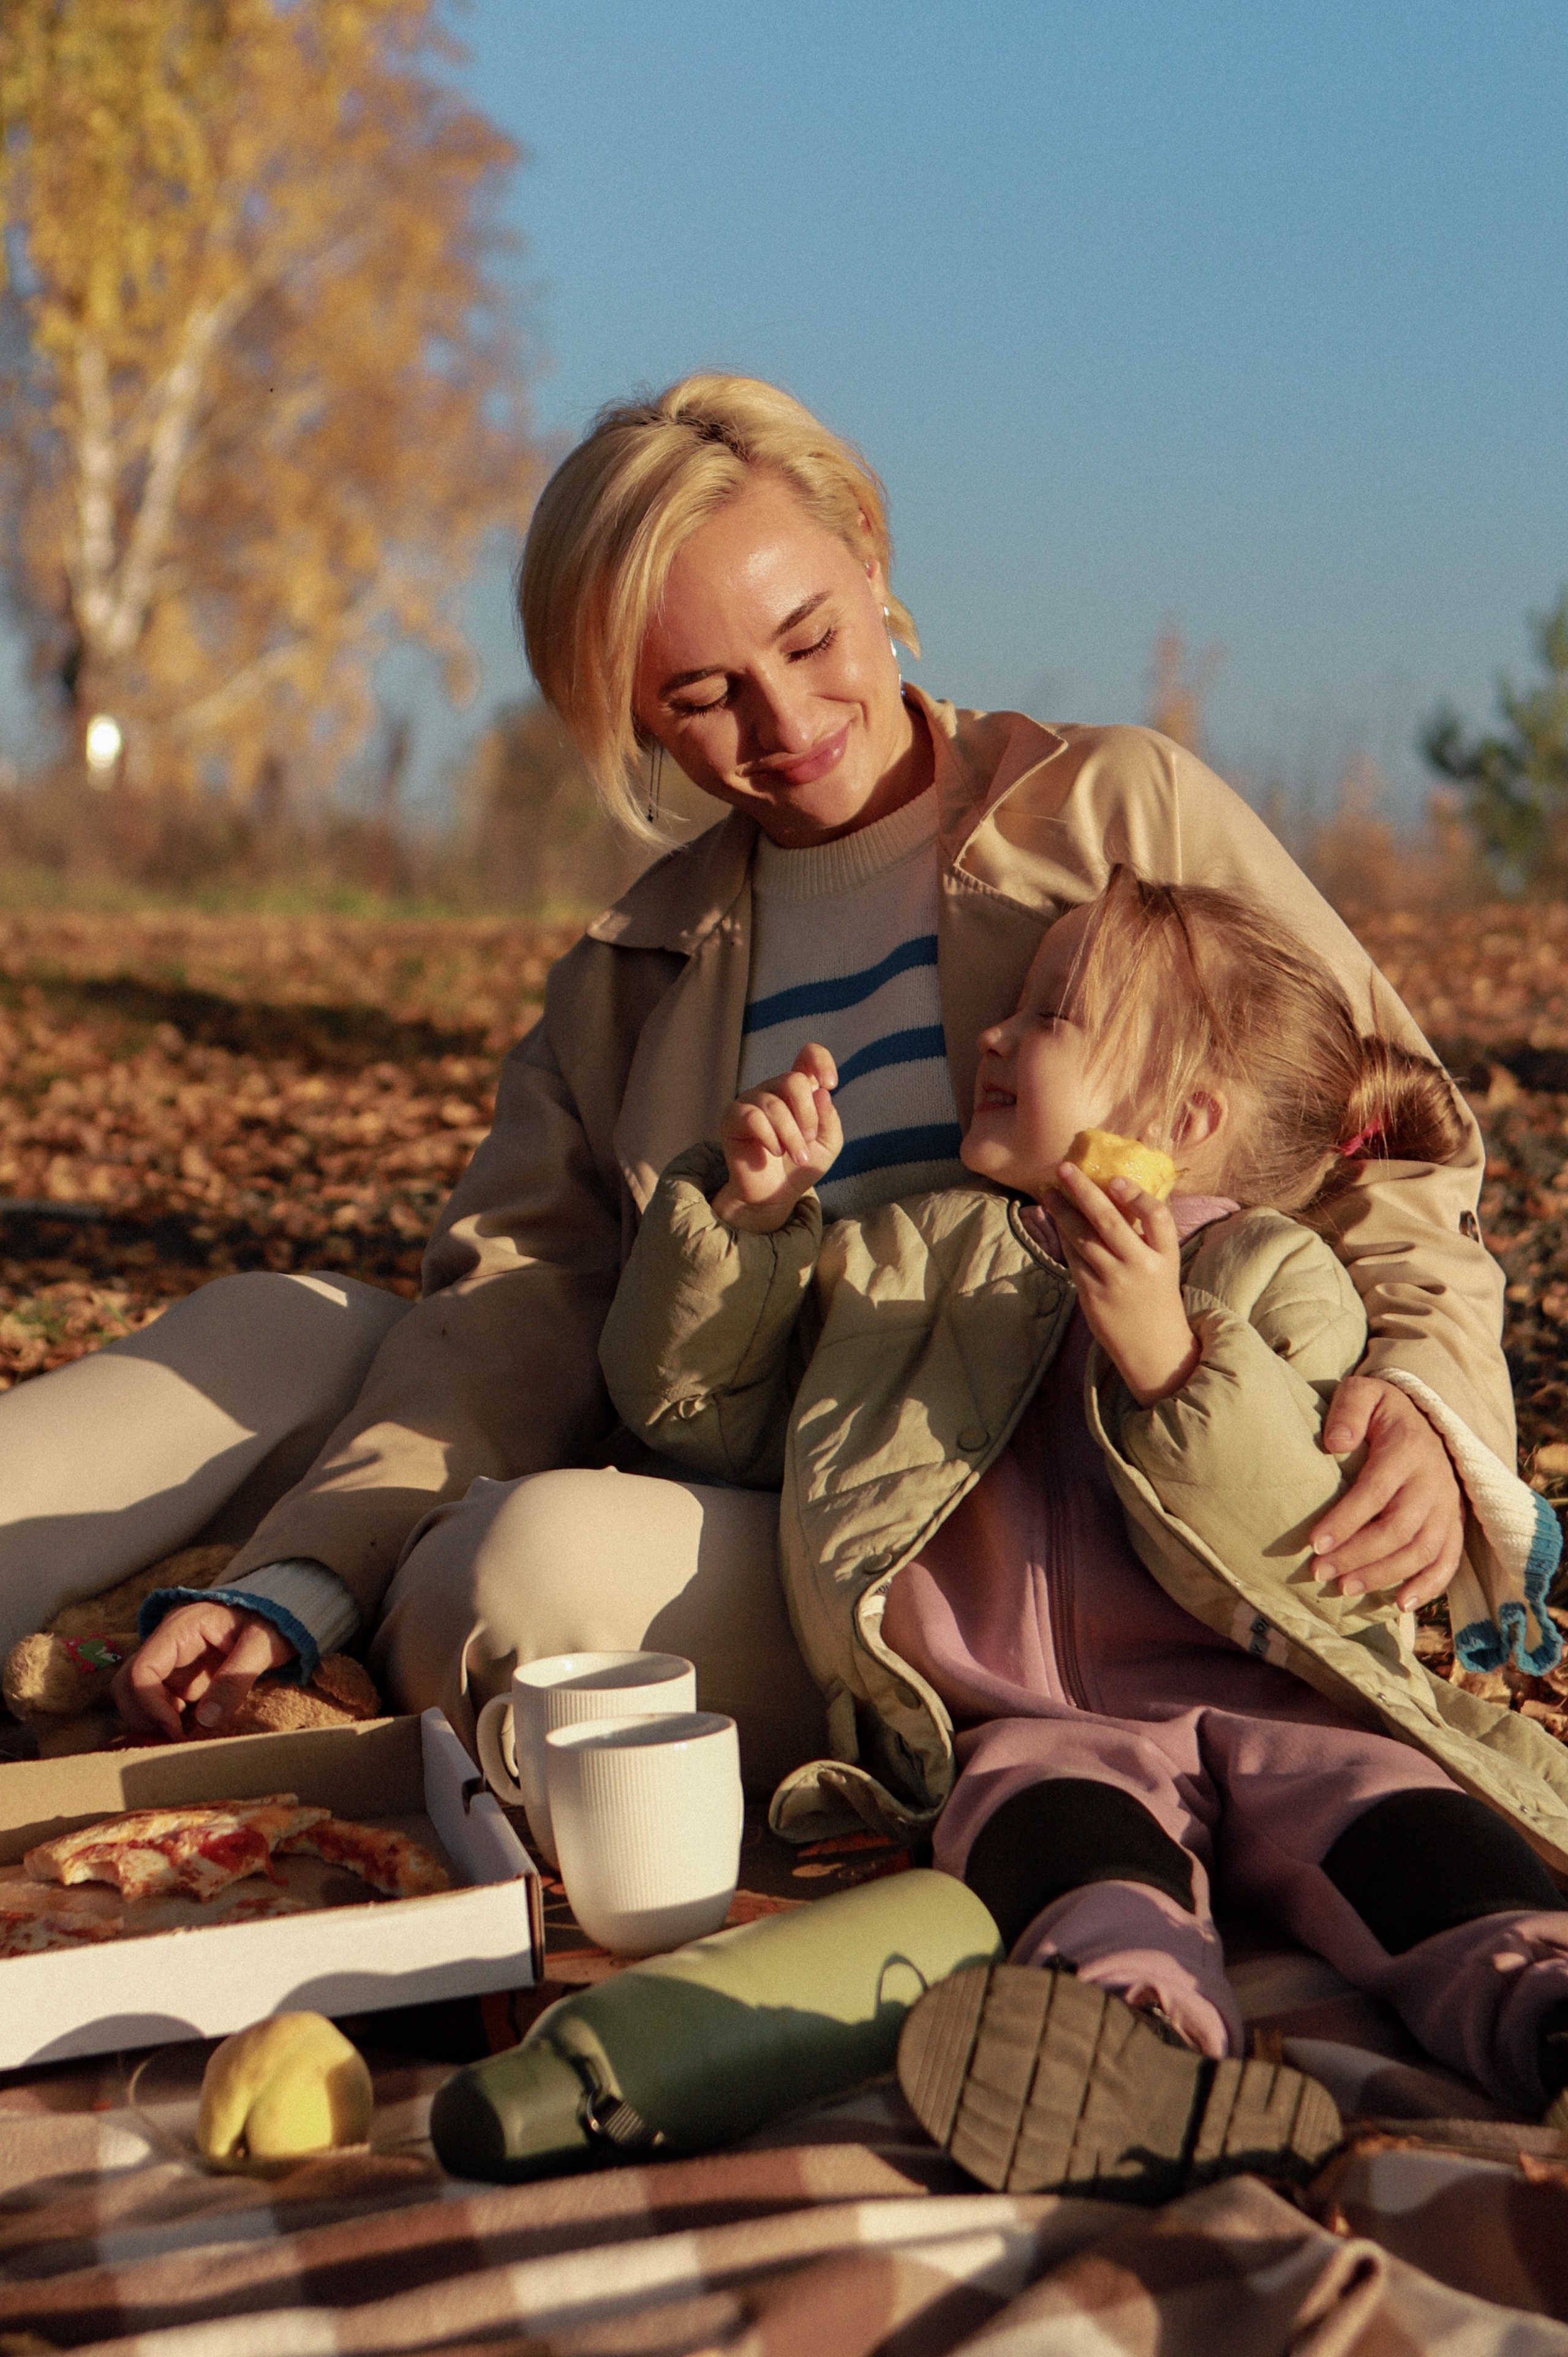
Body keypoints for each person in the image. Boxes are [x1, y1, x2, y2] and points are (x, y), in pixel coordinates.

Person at [0, 374, 1509, 1782]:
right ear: (628, 715)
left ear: (867, 557)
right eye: (699, 696)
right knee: (275, 1326)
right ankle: (188, 1619)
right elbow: (512, 1317)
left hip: (1003, 1548)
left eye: (806, 639)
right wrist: (303, 1573)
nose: (784, 727)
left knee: (509, 1575)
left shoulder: (1111, 812)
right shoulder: (634, 965)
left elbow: (1384, 1134)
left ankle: (277, 1648)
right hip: (733, 1469)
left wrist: (1425, 1412)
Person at [596, 867, 1568, 2184]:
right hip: (1032, 1722)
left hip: (1284, 1705)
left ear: (1182, 1117)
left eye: (1051, 1013)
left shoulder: (1272, 1274)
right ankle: (1133, 2049)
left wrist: (1170, 1355)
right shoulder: (912, 1259)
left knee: (1407, 1832)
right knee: (1051, 1845)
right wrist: (750, 1226)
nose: (991, 1034)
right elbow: (708, 1413)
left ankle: (1540, 2003)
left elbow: (1307, 1540)